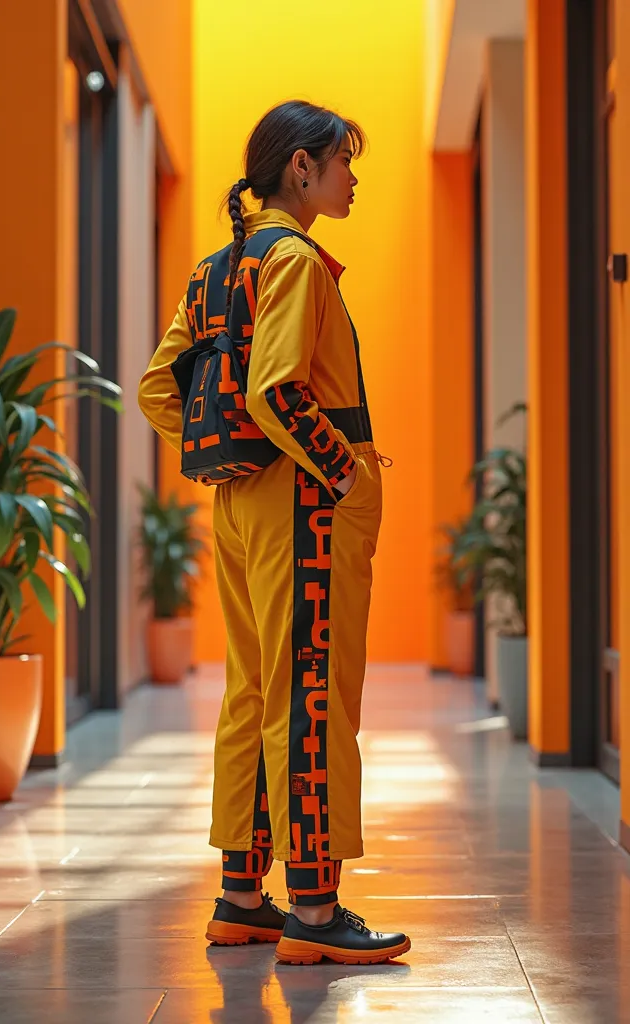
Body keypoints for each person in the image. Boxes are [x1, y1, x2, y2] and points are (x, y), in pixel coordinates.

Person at [138, 100, 410, 966]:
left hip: (242, 500)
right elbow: (277, 392)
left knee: (253, 692)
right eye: (342, 162)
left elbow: (156, 389)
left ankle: (243, 897)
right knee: (315, 694)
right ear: (300, 168)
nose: (352, 177)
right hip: (304, 501)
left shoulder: (213, 270)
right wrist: (343, 472)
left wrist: (224, 453)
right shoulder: (292, 258)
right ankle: (318, 912)